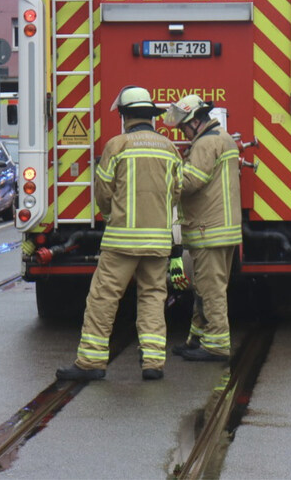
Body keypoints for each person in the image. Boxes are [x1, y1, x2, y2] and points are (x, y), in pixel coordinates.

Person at [56, 87, 182, 382]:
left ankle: (91, 362)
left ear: (124, 116)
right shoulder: (169, 148)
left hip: (121, 242)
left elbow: (103, 192)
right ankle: (153, 362)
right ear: (151, 117)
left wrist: (112, 216)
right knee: (153, 297)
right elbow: (177, 192)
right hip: (158, 242)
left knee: (104, 297)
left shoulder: (116, 145)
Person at [164, 94, 241, 363]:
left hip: (208, 229)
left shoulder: (205, 144)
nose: (184, 132)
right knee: (204, 287)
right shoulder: (223, 137)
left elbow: (190, 182)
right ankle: (197, 339)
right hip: (222, 229)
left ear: (196, 121)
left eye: (185, 126)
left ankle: (216, 345)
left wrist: (166, 175)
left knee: (210, 290)